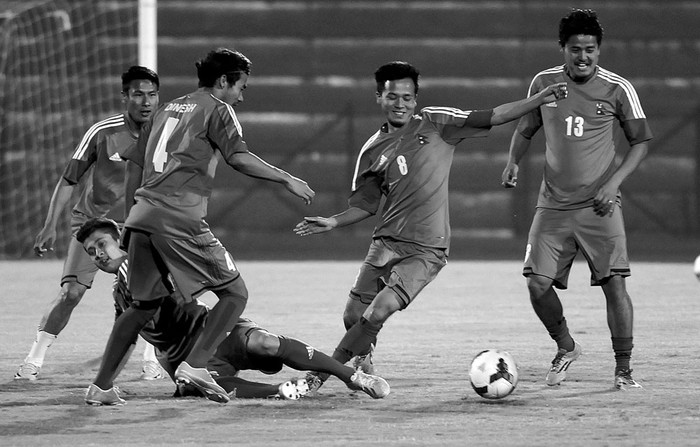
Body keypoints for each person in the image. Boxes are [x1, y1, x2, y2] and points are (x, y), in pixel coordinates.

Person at [294, 61, 568, 391]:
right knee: (354, 315)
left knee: (378, 311)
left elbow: (493, 115)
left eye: (408, 98)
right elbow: (365, 205)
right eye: (393, 97)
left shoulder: (438, 123)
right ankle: (362, 358)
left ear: (416, 99)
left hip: (426, 248)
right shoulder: (371, 150)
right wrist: (333, 221)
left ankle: (321, 377)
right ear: (379, 97)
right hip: (385, 243)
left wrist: (538, 99)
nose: (401, 104)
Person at [88, 48, 316, 404]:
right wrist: (286, 178)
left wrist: (134, 213)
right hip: (177, 217)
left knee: (142, 306)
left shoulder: (169, 108)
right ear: (223, 81)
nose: (241, 96)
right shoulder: (217, 108)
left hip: (142, 215)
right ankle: (196, 366)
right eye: (240, 86)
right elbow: (237, 156)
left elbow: (139, 163)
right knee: (235, 293)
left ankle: (100, 387)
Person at [77, 218, 390, 405]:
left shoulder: (150, 264)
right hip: (183, 362)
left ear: (122, 239)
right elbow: (125, 338)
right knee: (204, 384)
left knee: (266, 344)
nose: (98, 255)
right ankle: (283, 391)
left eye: (102, 244)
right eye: (92, 252)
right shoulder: (120, 293)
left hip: (213, 333)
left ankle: (352, 376)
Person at [500, 9, 651, 390]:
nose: (583, 57)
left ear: (599, 50)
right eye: (575, 50)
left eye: (590, 50)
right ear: (562, 49)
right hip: (552, 205)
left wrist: (613, 183)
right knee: (536, 283)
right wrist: (513, 161)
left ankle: (623, 369)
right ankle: (566, 346)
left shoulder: (618, 88)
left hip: (600, 205)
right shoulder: (544, 82)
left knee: (614, 284)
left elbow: (641, 142)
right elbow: (525, 127)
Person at [14, 66, 163, 381]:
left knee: (152, 291)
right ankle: (34, 359)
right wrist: (49, 225)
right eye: (138, 94)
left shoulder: (167, 132)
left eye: (152, 94)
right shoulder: (103, 132)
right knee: (71, 293)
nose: (146, 101)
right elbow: (70, 178)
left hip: (141, 224)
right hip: (96, 224)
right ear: (125, 96)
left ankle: (152, 358)